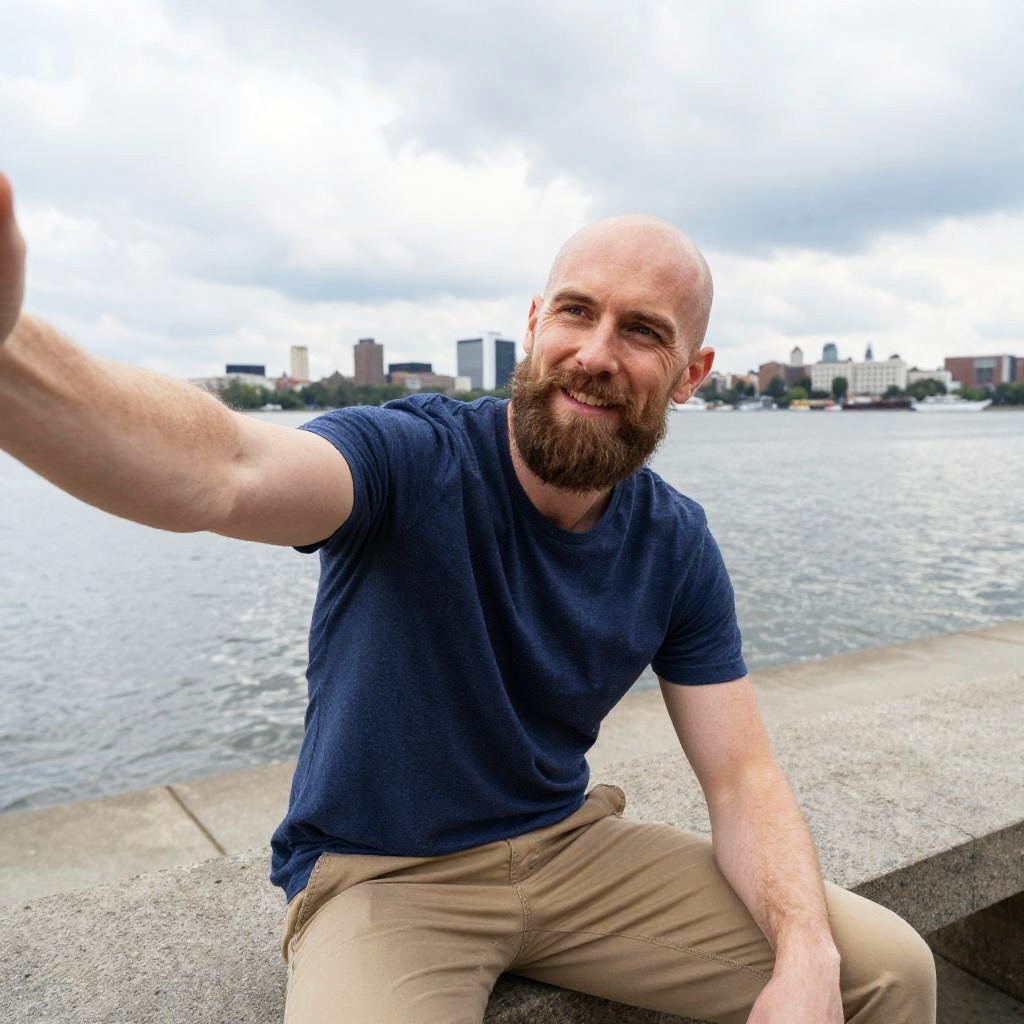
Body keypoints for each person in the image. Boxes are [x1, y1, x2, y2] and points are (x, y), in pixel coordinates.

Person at [0, 172, 936, 1024]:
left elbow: (742, 779)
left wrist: (805, 956)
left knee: (888, 969)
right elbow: (223, 468)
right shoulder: (414, 460)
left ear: (692, 374)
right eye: (576, 312)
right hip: (383, 878)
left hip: (569, 849)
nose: (597, 354)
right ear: (534, 325)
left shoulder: (675, 541)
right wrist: (12, 351)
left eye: (644, 331)